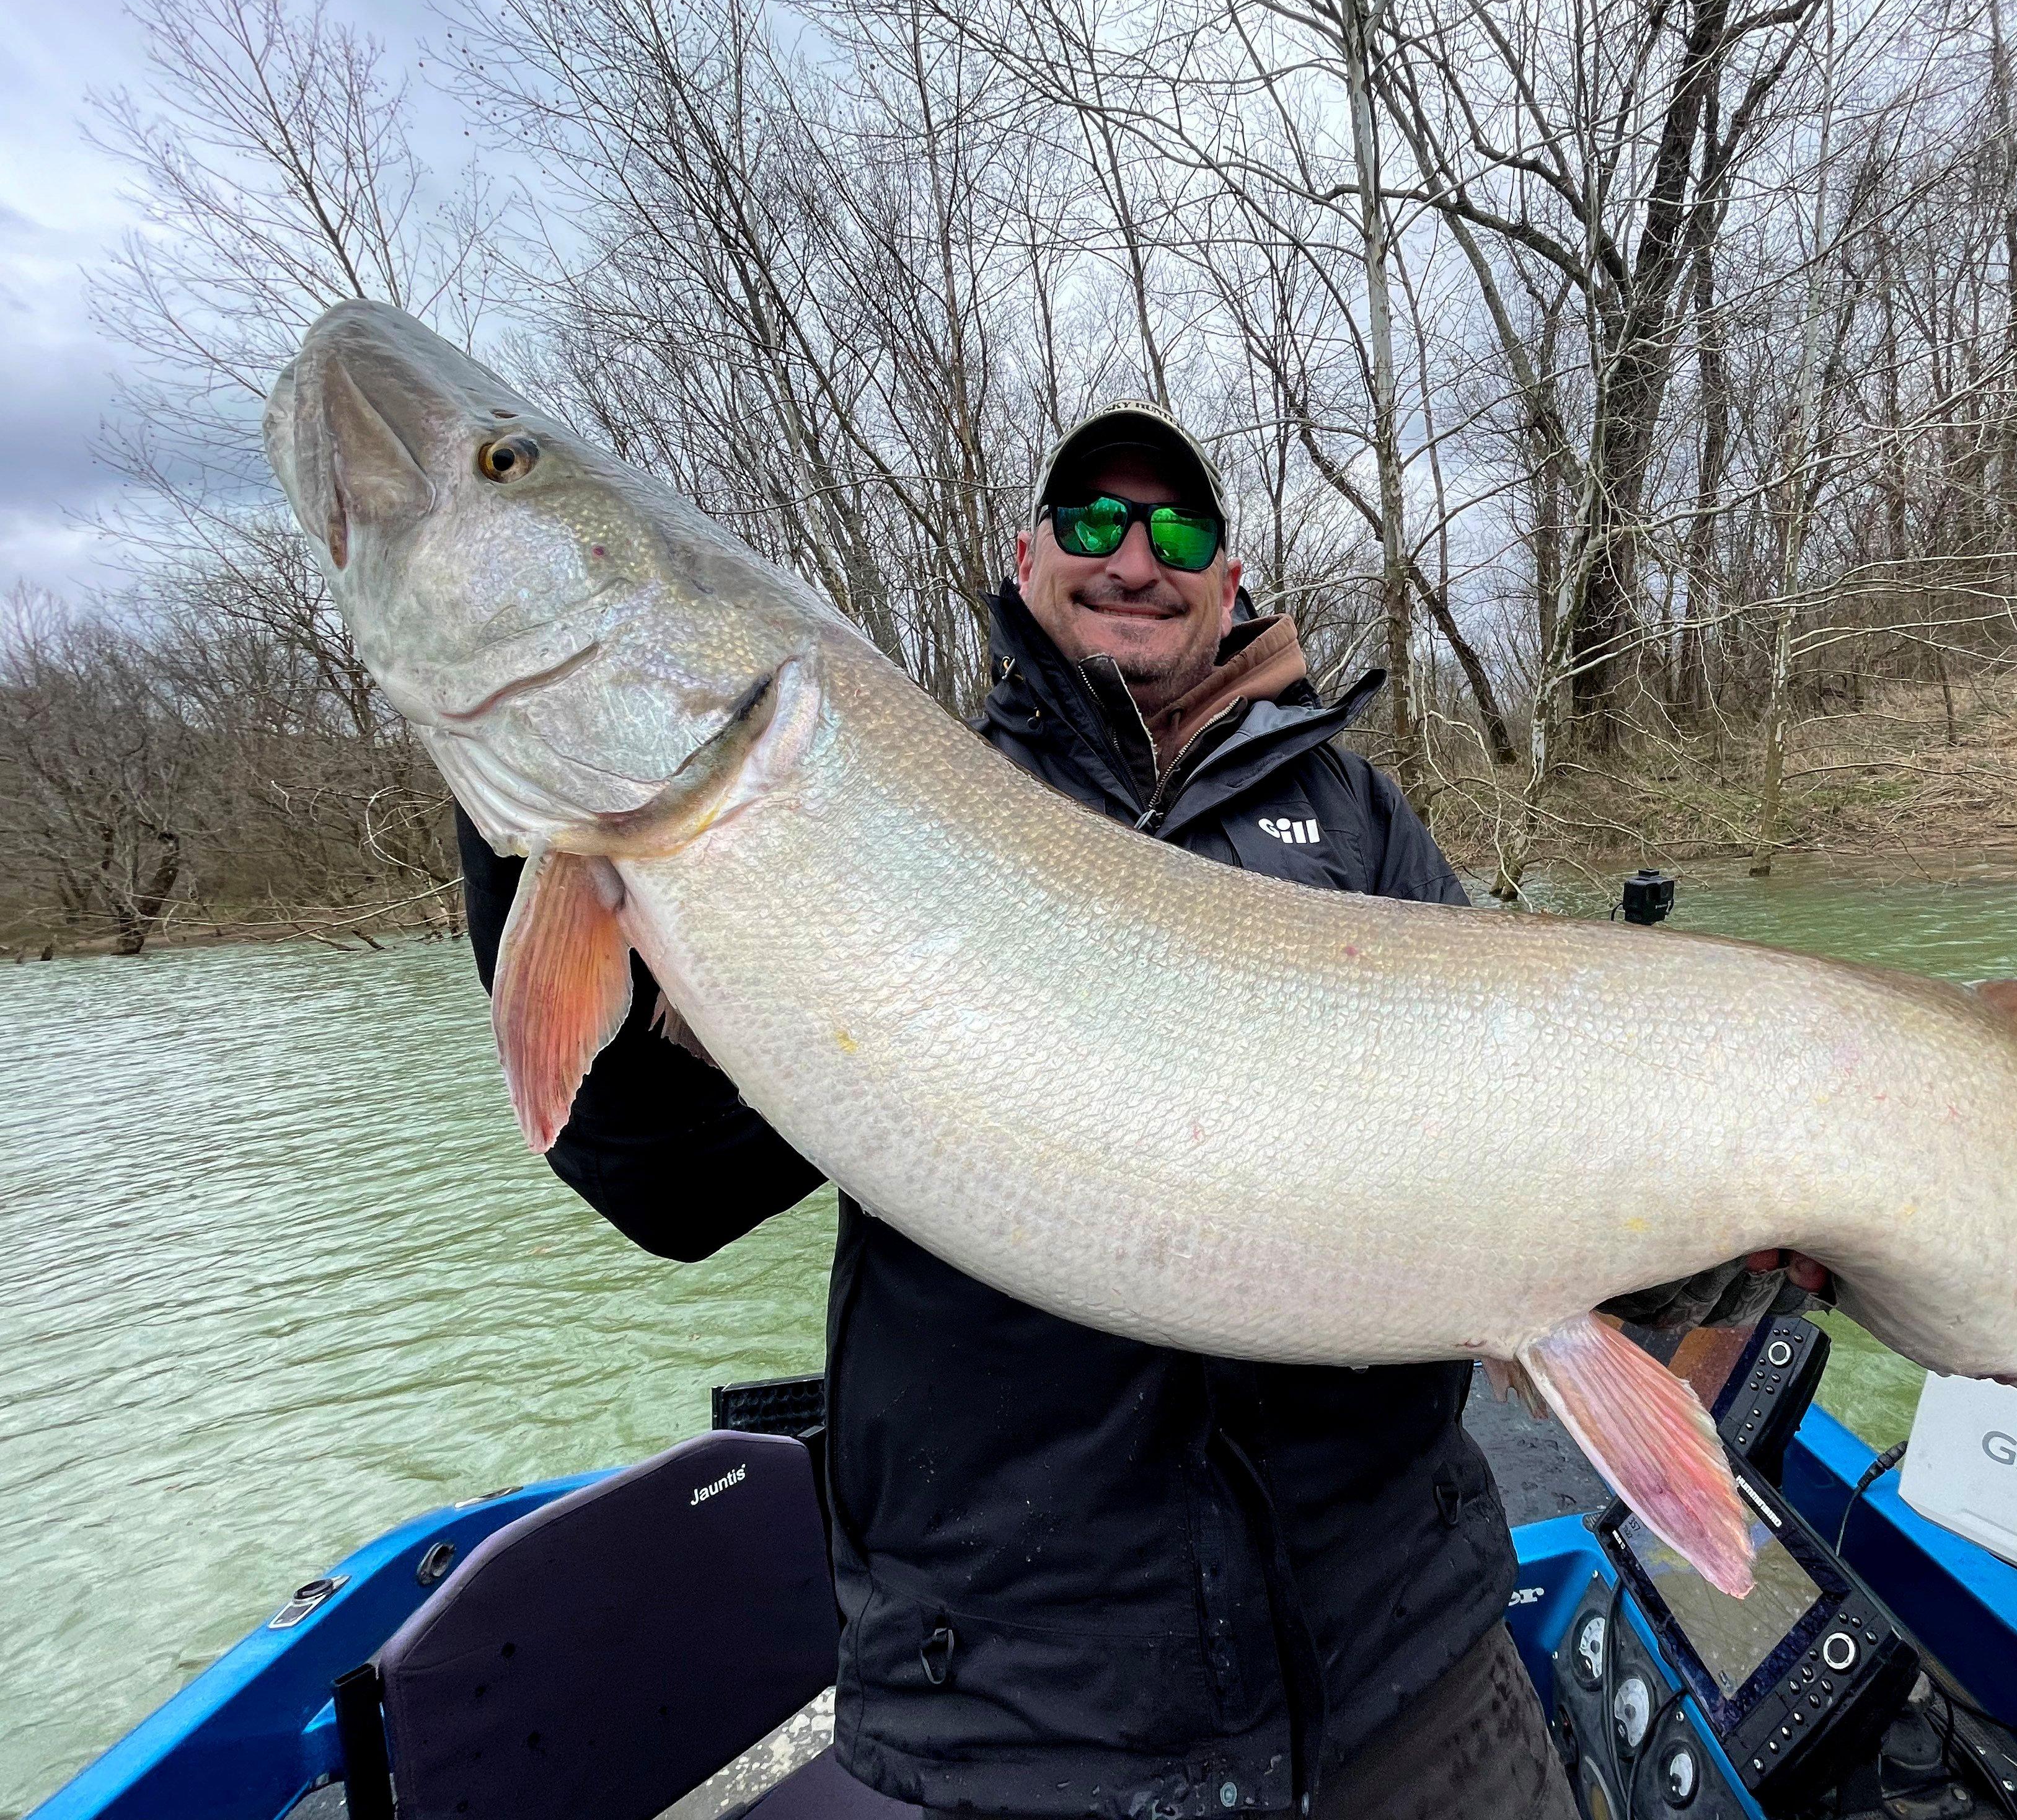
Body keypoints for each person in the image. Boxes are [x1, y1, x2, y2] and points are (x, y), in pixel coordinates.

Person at [456, 402, 1806, 1819]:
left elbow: (1515, 1171)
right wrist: (546, 815)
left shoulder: (1359, 825)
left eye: (1181, 528)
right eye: (1094, 520)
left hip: (1404, 1667)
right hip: (1028, 1709)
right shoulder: (846, 805)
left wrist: (1704, 1255)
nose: (1135, 556)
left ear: (1233, 584)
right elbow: (669, 1188)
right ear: (1028, 554)